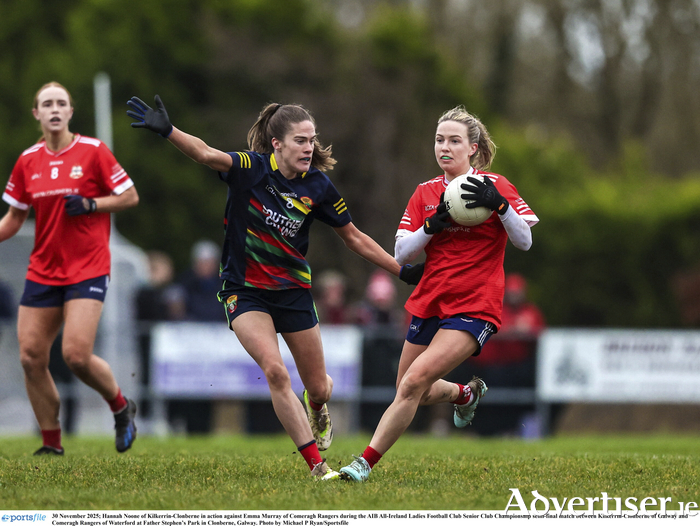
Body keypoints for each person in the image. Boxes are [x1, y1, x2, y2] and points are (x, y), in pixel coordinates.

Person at [127, 95, 423, 480]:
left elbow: (354, 238)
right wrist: (168, 130)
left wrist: (399, 270)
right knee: (276, 372)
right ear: (277, 144)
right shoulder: (249, 168)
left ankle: (316, 406)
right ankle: (318, 468)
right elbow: (204, 154)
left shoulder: (318, 185)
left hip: (293, 293)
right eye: (301, 140)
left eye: (312, 139)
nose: (309, 147)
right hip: (244, 291)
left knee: (320, 387)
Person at [338, 106, 539, 482]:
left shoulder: (497, 184)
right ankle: (464, 394)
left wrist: (500, 205)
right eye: (439, 140)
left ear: (473, 148)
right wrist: (431, 225)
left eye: (454, 141)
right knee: (411, 388)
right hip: (430, 301)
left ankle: (363, 464)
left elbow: (525, 240)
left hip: (476, 305)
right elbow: (401, 253)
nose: (444, 147)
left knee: (413, 384)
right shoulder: (425, 192)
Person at [0, 82, 140, 456]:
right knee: (31, 356)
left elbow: (130, 196)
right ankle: (51, 444)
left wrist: (93, 205)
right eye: (47, 103)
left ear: (71, 112)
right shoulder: (28, 159)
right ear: (37, 114)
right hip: (43, 271)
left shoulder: (94, 151)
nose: (55, 108)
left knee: (76, 355)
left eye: (62, 102)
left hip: (88, 268)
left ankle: (120, 406)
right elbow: (14, 218)